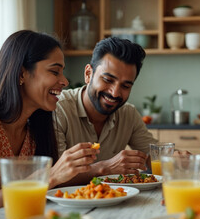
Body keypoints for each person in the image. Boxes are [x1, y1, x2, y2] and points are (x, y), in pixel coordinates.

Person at [0, 30, 97, 213]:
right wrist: (48, 176)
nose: (65, 81)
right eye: (54, 71)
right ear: (22, 73)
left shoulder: (34, 130)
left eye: (62, 72)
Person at [54, 37, 157, 185]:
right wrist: (105, 168)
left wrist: (182, 159)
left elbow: (154, 156)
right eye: (108, 80)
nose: (115, 93)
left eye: (126, 86)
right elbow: (54, 176)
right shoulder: (59, 109)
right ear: (88, 74)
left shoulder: (128, 114)